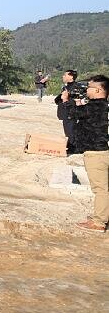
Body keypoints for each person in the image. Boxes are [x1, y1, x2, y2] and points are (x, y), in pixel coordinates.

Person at [61, 75, 109, 232]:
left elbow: (73, 113)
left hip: (96, 153)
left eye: (89, 87)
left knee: (100, 189)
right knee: (103, 187)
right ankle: (101, 215)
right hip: (99, 151)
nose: (86, 90)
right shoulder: (101, 106)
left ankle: (99, 222)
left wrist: (66, 100)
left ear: (98, 90)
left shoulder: (96, 107)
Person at [54, 70, 78, 154]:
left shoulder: (75, 87)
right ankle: (70, 147)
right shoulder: (66, 87)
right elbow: (58, 99)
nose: (63, 76)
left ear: (71, 77)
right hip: (66, 112)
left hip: (71, 112)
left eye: (65, 75)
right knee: (68, 132)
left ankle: (73, 149)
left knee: (71, 131)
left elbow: (75, 101)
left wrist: (65, 99)